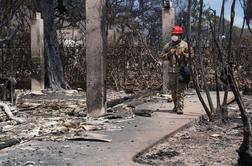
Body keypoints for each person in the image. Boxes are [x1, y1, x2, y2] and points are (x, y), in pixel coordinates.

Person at [162, 25, 190, 114]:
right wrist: (169, 53)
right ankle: (175, 105)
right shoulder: (168, 45)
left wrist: (184, 54)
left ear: (180, 35)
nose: (174, 36)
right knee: (173, 91)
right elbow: (162, 56)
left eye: (176, 34)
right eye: (173, 34)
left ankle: (180, 108)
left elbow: (191, 57)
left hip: (181, 71)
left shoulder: (185, 45)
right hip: (171, 72)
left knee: (181, 90)